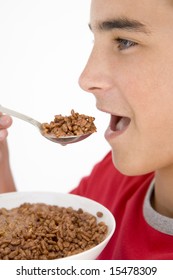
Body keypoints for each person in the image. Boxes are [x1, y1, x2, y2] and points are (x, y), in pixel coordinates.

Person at [1, 0, 173, 259]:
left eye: (125, 42)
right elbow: (28, 253)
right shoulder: (110, 182)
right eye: (95, 40)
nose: (86, 78)